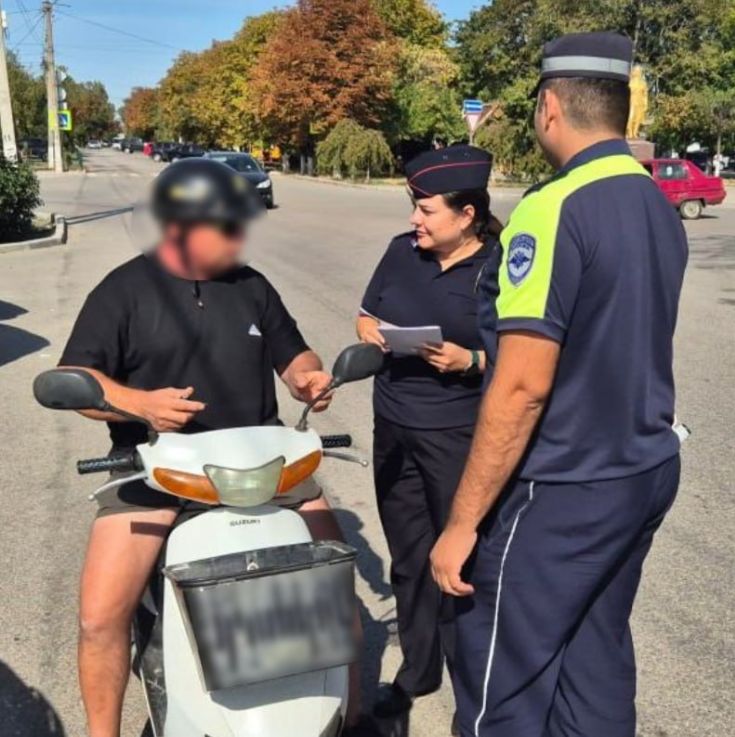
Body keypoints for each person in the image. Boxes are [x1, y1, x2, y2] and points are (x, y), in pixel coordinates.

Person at [429, 31, 689, 737]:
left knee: (501, 682)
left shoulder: (552, 208)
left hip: (563, 486)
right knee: (593, 659)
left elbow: (521, 388)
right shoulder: (656, 204)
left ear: (550, 107)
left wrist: (461, 524)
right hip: (643, 466)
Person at [58, 159, 374, 737]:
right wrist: (138, 404)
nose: (240, 239)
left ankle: (346, 718)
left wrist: (307, 377)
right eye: (227, 227)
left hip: (265, 472)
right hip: (156, 472)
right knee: (100, 617)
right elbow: (77, 379)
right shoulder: (123, 290)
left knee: (335, 589)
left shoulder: (251, 285)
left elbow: (294, 352)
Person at [356, 145, 497, 723]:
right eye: (415, 206)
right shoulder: (400, 253)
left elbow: (524, 358)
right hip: (394, 427)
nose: (415, 219)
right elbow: (366, 312)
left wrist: (471, 361)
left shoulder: (499, 264)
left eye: (427, 210)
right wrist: (371, 335)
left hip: (458, 436)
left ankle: (478, 682)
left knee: (459, 564)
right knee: (410, 557)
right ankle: (417, 672)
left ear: (466, 215)